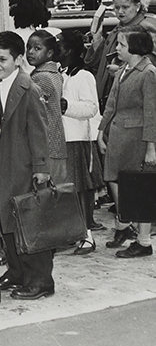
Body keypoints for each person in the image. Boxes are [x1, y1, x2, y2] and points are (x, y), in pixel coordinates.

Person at [0, 32, 54, 301]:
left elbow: (39, 131)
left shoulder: (29, 89)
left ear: (18, 59)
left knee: (29, 220)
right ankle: (16, 271)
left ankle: (40, 279)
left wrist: (41, 168)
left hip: (22, 163)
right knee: (6, 219)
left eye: (3, 59)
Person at [98, 28, 156, 258]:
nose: (117, 49)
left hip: (136, 139)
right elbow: (111, 104)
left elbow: (152, 113)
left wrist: (151, 147)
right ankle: (124, 225)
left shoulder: (149, 72)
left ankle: (143, 242)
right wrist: (101, 130)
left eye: (122, 45)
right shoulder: (123, 70)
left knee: (139, 188)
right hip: (118, 136)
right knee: (114, 179)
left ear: (135, 47)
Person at [57, 30, 102, 255]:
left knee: (80, 189)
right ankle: (71, 232)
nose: (57, 48)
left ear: (70, 50)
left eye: (60, 45)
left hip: (76, 138)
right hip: (60, 138)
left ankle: (87, 235)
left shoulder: (84, 76)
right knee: (66, 190)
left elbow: (92, 107)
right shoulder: (59, 73)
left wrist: (66, 106)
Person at [85, 0, 156, 105]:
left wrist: (120, 71)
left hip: (132, 100)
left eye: (125, 7)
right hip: (112, 95)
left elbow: (150, 66)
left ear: (137, 7)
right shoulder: (119, 28)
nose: (120, 11)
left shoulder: (146, 29)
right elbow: (101, 62)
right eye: (117, 7)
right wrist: (97, 38)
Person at [25, 30, 68, 183]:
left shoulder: (40, 78)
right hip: (56, 146)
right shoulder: (55, 74)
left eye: (37, 48)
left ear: (49, 53)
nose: (30, 52)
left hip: (46, 147)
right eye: (28, 47)